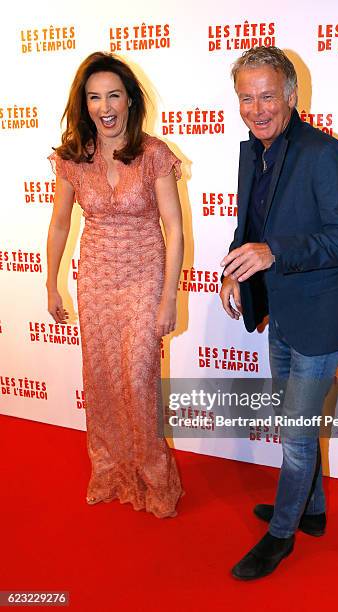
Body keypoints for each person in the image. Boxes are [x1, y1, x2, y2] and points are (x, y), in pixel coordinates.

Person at [220, 46, 338, 579]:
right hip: (280, 312)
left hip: (322, 317)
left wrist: (275, 252)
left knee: (295, 431)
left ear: (291, 95)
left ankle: (280, 535)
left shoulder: (324, 153)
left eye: (266, 96)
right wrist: (235, 269)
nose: (256, 109)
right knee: (298, 426)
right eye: (246, 98)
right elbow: (253, 229)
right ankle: (313, 509)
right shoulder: (253, 151)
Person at [46, 52, 183, 518]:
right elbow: (61, 224)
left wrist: (169, 298)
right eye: (94, 97)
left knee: (139, 378)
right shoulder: (73, 159)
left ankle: (154, 481)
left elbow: (174, 228)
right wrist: (51, 282)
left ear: (129, 101)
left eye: (113, 96)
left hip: (145, 277)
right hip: (98, 281)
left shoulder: (153, 154)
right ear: (84, 104)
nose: (105, 107)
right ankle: (108, 471)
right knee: (102, 379)